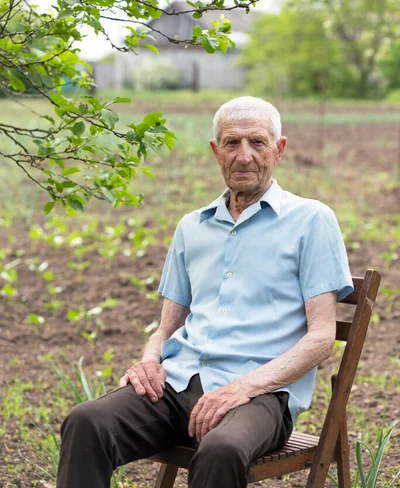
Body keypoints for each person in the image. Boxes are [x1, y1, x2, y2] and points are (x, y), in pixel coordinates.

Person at [57, 96, 353, 488]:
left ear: (279, 150)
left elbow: (320, 338)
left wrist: (243, 388)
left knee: (221, 449)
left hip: (261, 394)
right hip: (180, 382)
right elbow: (166, 329)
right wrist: (148, 359)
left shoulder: (312, 220)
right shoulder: (191, 227)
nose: (244, 156)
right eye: (232, 143)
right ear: (216, 152)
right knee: (87, 421)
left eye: (257, 142)